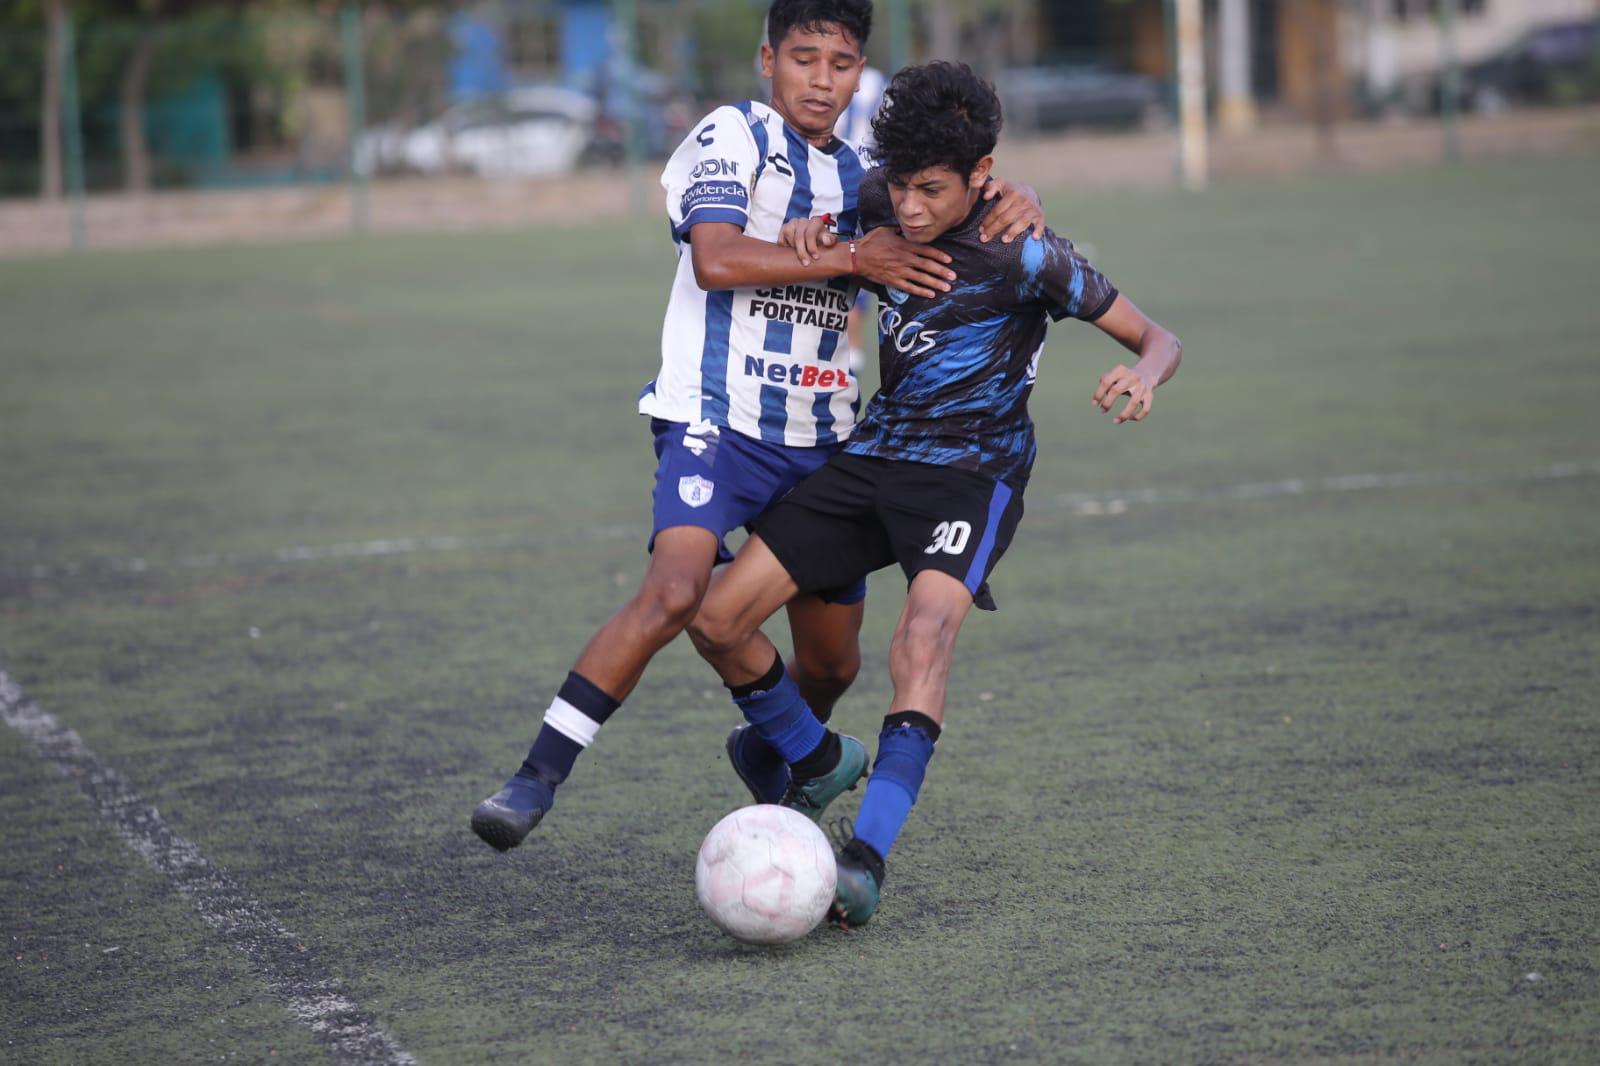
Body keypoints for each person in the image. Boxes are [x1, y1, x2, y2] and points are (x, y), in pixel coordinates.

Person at [470, 1, 1048, 851]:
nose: (821, 81)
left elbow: (956, 198)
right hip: (717, 417)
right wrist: (853, 257)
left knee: (832, 663)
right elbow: (715, 259)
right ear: (767, 59)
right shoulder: (731, 136)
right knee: (677, 591)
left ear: (862, 73)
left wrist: (1017, 195)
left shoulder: (868, 178)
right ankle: (534, 779)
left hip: (820, 436)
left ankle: (793, 756)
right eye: (804, 59)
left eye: (841, 64)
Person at [686, 61, 1183, 926]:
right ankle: (814, 758)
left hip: (971, 474)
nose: (911, 209)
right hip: (874, 455)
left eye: (932, 191)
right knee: (717, 618)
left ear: (981, 178)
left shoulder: (1028, 251)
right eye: (902, 188)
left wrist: (1145, 374)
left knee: (923, 636)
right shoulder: (878, 205)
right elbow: (819, 228)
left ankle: (865, 860)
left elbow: (1158, 336)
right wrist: (823, 237)